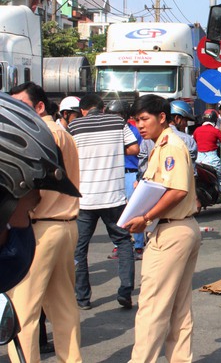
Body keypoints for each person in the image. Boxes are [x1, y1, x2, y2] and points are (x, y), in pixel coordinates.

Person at [6, 82, 83, 363]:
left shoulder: (38, 135)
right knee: (63, 306)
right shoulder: (63, 134)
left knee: (22, 311)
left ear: (39, 107)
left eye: (22, 107)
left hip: (40, 228)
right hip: (66, 224)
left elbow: (28, 188)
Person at [126, 95, 201, 363]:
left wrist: (145, 217)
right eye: (137, 120)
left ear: (162, 117)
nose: (140, 125)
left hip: (171, 232)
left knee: (152, 308)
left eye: (144, 119)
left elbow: (178, 190)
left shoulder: (169, 146)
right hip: (181, 228)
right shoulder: (161, 145)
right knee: (179, 309)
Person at [0, 92, 81, 294]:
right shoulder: (58, 134)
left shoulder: (48, 135)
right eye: (26, 210)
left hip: (50, 227)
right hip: (63, 224)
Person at [68, 93, 139, 310]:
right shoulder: (117, 122)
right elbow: (134, 149)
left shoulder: (75, 127)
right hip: (113, 196)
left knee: (79, 248)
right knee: (123, 242)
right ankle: (126, 291)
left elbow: (68, 157)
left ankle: (83, 298)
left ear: (82, 110)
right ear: (102, 108)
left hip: (85, 199)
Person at [107, 99, 146, 261]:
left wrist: (141, 176)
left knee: (133, 210)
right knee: (116, 211)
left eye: (116, 115)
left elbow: (143, 152)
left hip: (131, 174)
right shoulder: (108, 132)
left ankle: (138, 247)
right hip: (114, 174)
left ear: (123, 116)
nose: (113, 118)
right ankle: (119, 244)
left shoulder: (135, 131)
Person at [193, 109, 221, 214]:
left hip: (199, 160)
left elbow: (194, 143)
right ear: (214, 119)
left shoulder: (197, 130)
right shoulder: (216, 131)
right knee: (219, 182)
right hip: (212, 160)